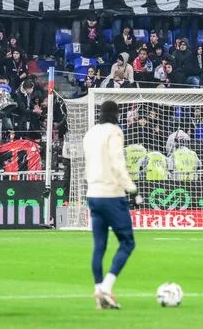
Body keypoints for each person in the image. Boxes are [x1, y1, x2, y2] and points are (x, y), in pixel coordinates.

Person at [83, 100, 137, 310]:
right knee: (127, 243)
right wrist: (131, 187)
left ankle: (100, 295)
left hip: (93, 194)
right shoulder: (114, 132)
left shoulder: (90, 133)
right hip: (111, 194)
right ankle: (106, 287)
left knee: (99, 247)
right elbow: (117, 163)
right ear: (116, 114)